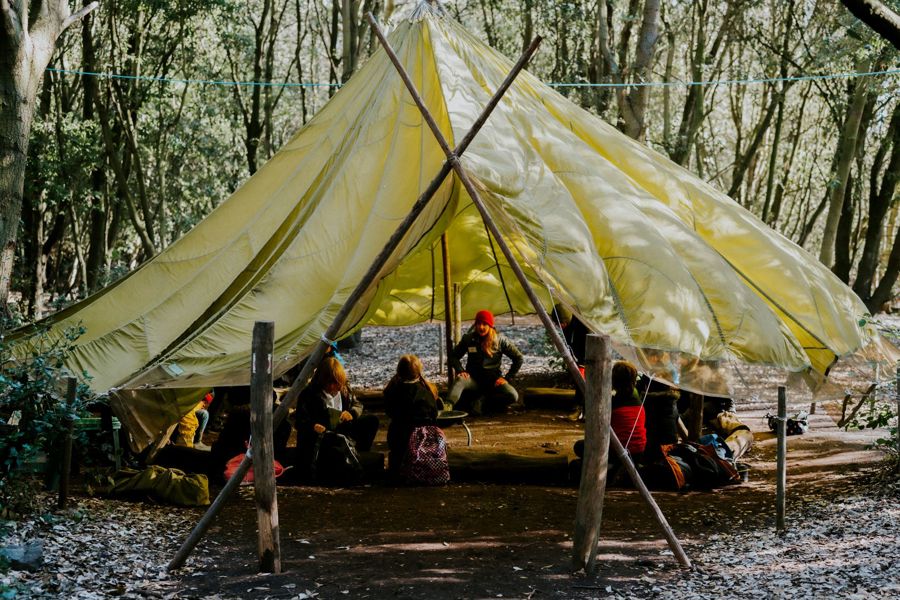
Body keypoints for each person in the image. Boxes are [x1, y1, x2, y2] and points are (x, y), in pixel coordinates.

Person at [295, 356, 379, 478]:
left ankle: (359, 452)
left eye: (337, 383)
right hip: (323, 436)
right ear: (322, 380)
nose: (334, 387)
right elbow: (300, 421)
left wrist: (352, 413)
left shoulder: (344, 389)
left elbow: (357, 404)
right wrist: (312, 426)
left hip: (342, 429)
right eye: (331, 383)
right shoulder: (309, 394)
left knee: (371, 421)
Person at [572, 361, 646, 481]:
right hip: (638, 451)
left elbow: (597, 431)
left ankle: (611, 469)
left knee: (579, 447)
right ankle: (618, 468)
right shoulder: (637, 399)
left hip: (617, 452)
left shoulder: (614, 404)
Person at [448, 309, 524, 416]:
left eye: (484, 324)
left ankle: (484, 403)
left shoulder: (500, 340)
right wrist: (460, 370)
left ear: (490, 325)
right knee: (460, 380)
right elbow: (453, 356)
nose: (481, 327)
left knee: (513, 395)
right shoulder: (469, 339)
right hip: (473, 380)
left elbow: (519, 358)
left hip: (493, 381)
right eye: (478, 324)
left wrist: (507, 378)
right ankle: (446, 408)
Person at [383, 354, 440, 476]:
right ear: (419, 372)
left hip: (399, 439)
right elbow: (434, 416)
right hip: (424, 441)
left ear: (399, 372)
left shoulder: (393, 392)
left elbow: (389, 412)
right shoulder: (428, 392)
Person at [552, 304, 589, 420]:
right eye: (558, 324)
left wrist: (582, 364)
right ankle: (578, 409)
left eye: (562, 323)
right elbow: (570, 343)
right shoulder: (567, 326)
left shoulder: (583, 325)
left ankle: (587, 411)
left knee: (585, 381)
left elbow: (586, 345)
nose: (560, 326)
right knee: (579, 380)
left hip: (591, 356)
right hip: (578, 356)